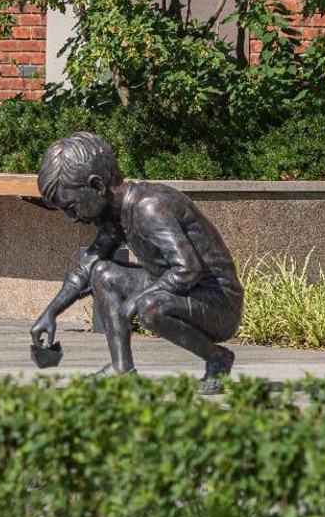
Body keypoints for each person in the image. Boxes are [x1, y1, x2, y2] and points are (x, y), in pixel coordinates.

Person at [29, 132, 244, 388]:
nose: (73, 218)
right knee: (102, 273)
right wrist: (50, 313)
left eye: (72, 207)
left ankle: (217, 357)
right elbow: (85, 269)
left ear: (97, 186)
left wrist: (139, 298)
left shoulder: (149, 207)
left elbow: (188, 269)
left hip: (219, 305)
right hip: (180, 292)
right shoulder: (116, 215)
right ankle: (121, 368)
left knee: (150, 306)